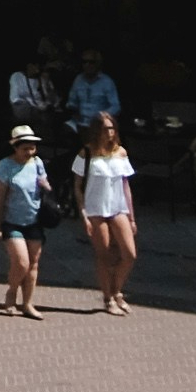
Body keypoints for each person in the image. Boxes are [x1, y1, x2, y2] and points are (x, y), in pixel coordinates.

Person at [77, 106, 140, 318]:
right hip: (95, 209)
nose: (109, 133)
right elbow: (77, 186)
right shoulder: (86, 153)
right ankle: (108, 297)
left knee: (129, 254)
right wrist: (83, 213)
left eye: (112, 128)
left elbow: (126, 186)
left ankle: (117, 289)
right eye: (105, 129)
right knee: (104, 255)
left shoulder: (121, 153)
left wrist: (131, 216)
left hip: (118, 207)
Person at [0, 122, 53, 319]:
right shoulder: (5, 166)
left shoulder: (37, 164)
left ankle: (27, 304)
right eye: (25, 148)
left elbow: (47, 188)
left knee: (34, 263)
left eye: (32, 148)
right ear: (15, 147)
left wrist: (46, 186)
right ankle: (12, 292)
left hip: (34, 220)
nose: (29, 152)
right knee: (21, 262)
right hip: (12, 221)